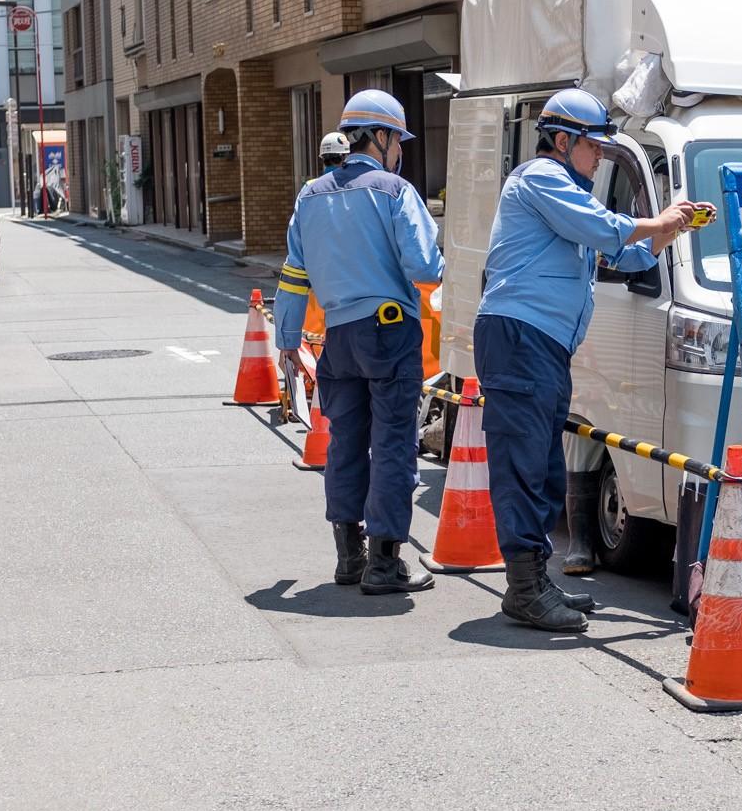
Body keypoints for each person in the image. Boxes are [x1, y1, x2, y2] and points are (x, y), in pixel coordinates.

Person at [476, 88, 709, 632]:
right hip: (519, 337)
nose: (600, 155)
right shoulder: (541, 179)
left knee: (542, 464)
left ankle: (534, 580)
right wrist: (660, 219)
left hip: (539, 344)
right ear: (562, 140)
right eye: (593, 146)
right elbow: (608, 230)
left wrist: (673, 230)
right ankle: (525, 588)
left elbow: (625, 253)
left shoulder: (568, 195)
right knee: (524, 464)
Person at [274, 89, 446, 595]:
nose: (400, 151)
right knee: (392, 443)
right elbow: (424, 267)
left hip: (337, 338)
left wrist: (287, 337)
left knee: (346, 443)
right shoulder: (394, 191)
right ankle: (386, 563)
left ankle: (349, 558)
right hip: (388, 331)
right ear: (382, 137)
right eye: (399, 141)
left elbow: (292, 277)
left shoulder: (309, 196)